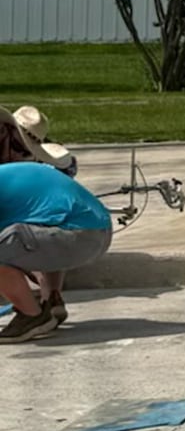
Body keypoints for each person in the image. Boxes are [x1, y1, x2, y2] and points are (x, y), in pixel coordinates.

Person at [0, 109, 112, 341]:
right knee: (30, 232)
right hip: (99, 232)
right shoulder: (27, 171)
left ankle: (31, 317)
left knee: (18, 237)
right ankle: (52, 300)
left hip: (79, 236)